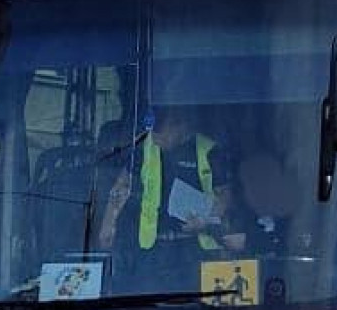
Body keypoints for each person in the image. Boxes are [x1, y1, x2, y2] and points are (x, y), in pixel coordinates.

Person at [94, 110, 245, 286]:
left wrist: (207, 222)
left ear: (180, 126)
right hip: (154, 248)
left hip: (195, 249)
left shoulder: (208, 150)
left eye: (162, 134)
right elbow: (122, 186)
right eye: (153, 134)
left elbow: (225, 197)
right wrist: (108, 223)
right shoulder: (145, 147)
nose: (156, 139)